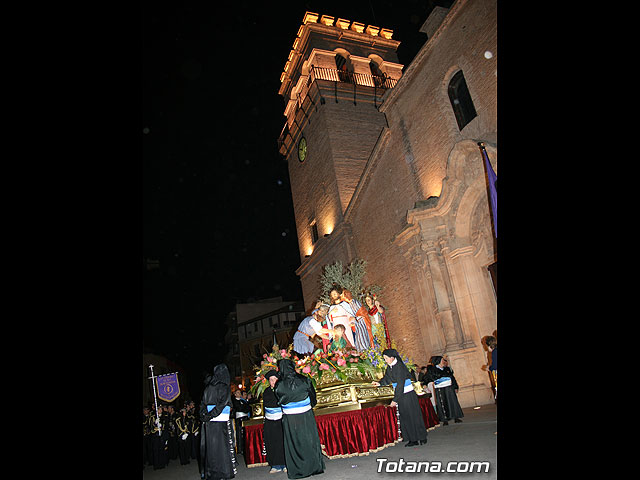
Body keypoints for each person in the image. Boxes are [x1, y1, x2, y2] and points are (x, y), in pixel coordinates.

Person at [273, 358, 325, 479]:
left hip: (291, 419)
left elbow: (279, 400)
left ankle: (298, 470)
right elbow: (313, 396)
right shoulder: (304, 380)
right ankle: (314, 467)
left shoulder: (280, 385)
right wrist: (309, 405)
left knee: (294, 442)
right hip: (306, 415)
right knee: (309, 440)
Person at [372, 349, 428, 447]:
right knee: (405, 417)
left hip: (407, 394)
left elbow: (400, 385)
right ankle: (412, 439)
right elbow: (387, 378)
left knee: (414, 416)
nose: (385, 360)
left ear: (392, 357)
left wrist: (395, 400)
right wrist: (380, 383)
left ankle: (422, 437)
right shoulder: (390, 367)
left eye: (386, 358)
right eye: (384, 358)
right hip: (401, 395)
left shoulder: (400, 367)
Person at [199, 364, 237, 480]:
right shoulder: (224, 387)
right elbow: (222, 404)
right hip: (220, 421)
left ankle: (212, 473)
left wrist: (204, 416)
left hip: (209, 422)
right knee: (222, 448)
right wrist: (211, 415)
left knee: (211, 449)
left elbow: (202, 404)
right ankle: (224, 473)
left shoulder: (208, 387)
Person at [424, 356, 464, 426]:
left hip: (449, 388)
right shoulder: (432, 370)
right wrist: (425, 384)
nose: (444, 361)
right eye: (442, 360)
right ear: (438, 361)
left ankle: (455, 417)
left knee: (453, 402)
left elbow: (452, 378)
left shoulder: (447, 369)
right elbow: (428, 378)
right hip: (440, 389)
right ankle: (445, 419)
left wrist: (455, 386)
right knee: (442, 403)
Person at [263, 370, 287, 474]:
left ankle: (285, 464)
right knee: (272, 442)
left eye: (275, 379)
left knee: (282, 441)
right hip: (270, 421)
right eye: (271, 380)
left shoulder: (283, 389)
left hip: (281, 419)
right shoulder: (267, 392)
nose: (273, 382)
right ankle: (275, 465)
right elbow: (269, 404)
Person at [232, 389, 251, 455]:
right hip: (239, 418)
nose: (239, 394)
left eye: (240, 392)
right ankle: (240, 449)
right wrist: (244, 408)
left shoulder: (242, 401)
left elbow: (248, 407)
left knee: (245, 433)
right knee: (239, 434)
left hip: (245, 417)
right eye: (238, 392)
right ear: (235, 394)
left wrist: (244, 408)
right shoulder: (234, 401)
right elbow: (239, 408)